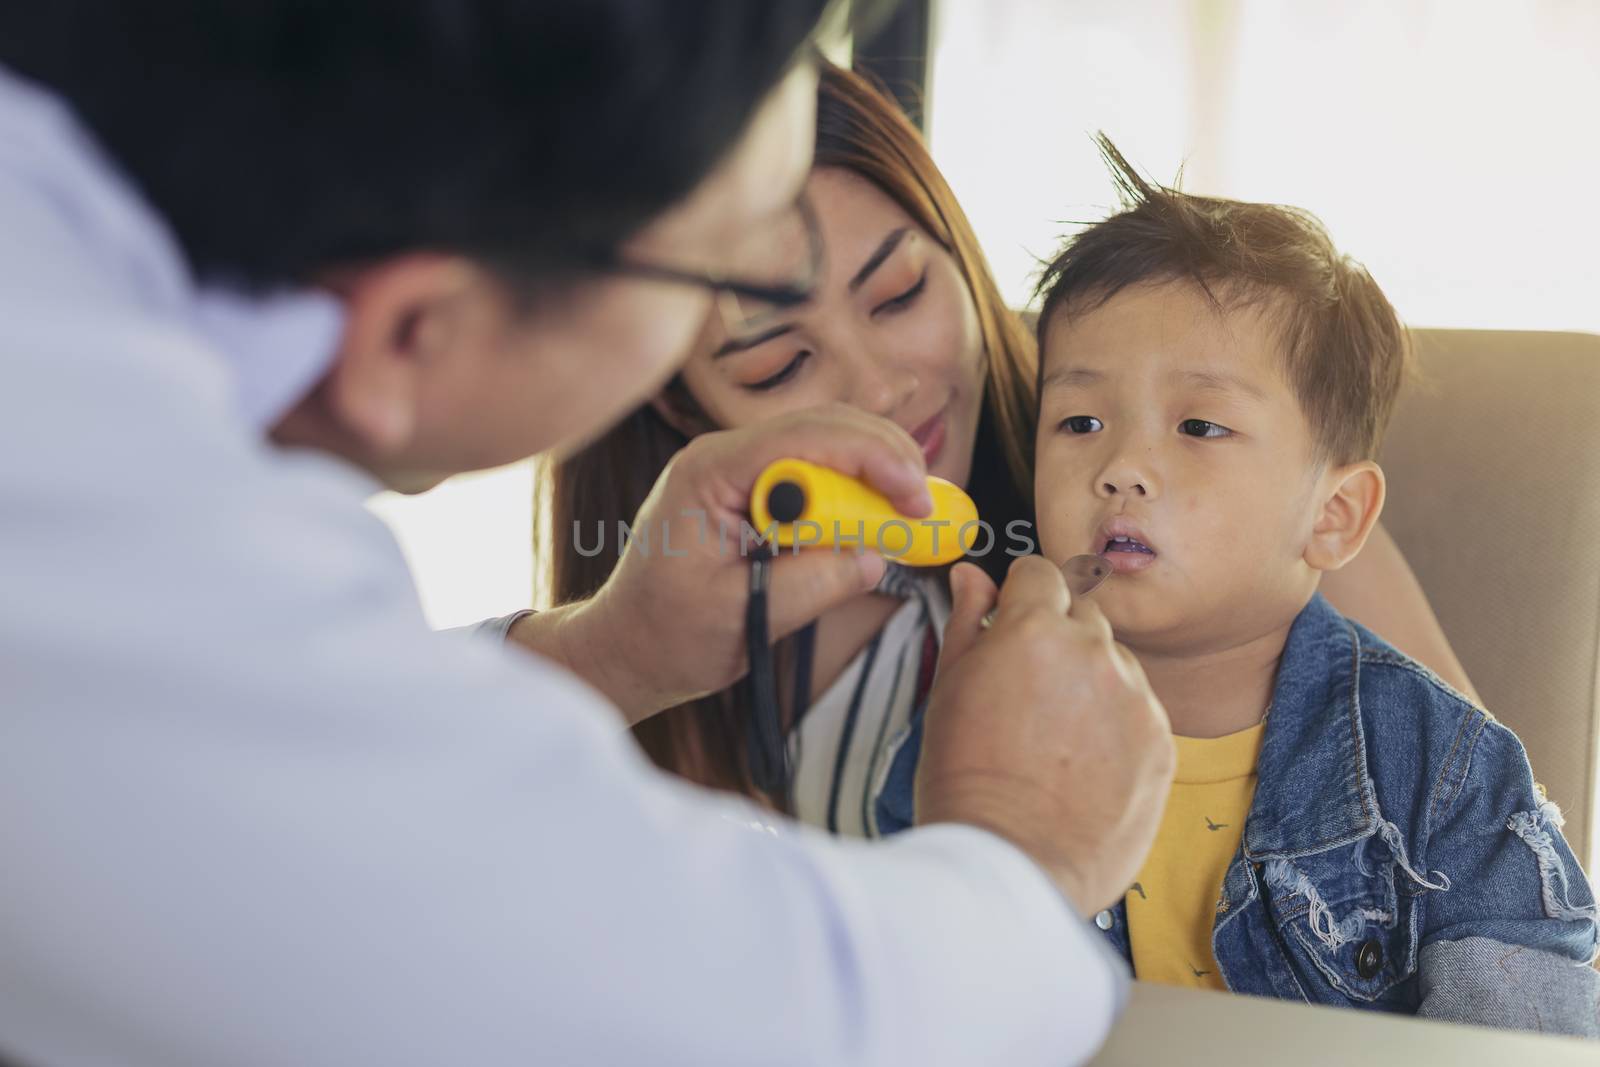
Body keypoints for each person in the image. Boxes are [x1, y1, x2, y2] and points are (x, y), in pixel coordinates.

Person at [0, 6, 1174, 1066]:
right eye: (748, 322)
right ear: (411, 337)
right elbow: (741, 1022)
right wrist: (1025, 854)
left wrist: (609, 652)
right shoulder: (85, 546)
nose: (866, 385)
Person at [537, 60, 1481, 834]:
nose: (880, 391)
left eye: (900, 293)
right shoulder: (668, 630)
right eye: (779, 364)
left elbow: (1498, 844)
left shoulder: (1252, 522)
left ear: (957, 246)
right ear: (674, 398)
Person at [875, 139, 1600, 1033]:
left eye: (1199, 424)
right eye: (1081, 419)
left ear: (1333, 514)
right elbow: (908, 1000)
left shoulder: (1445, 770)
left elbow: (1530, 1039)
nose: (1121, 466)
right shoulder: (985, 712)